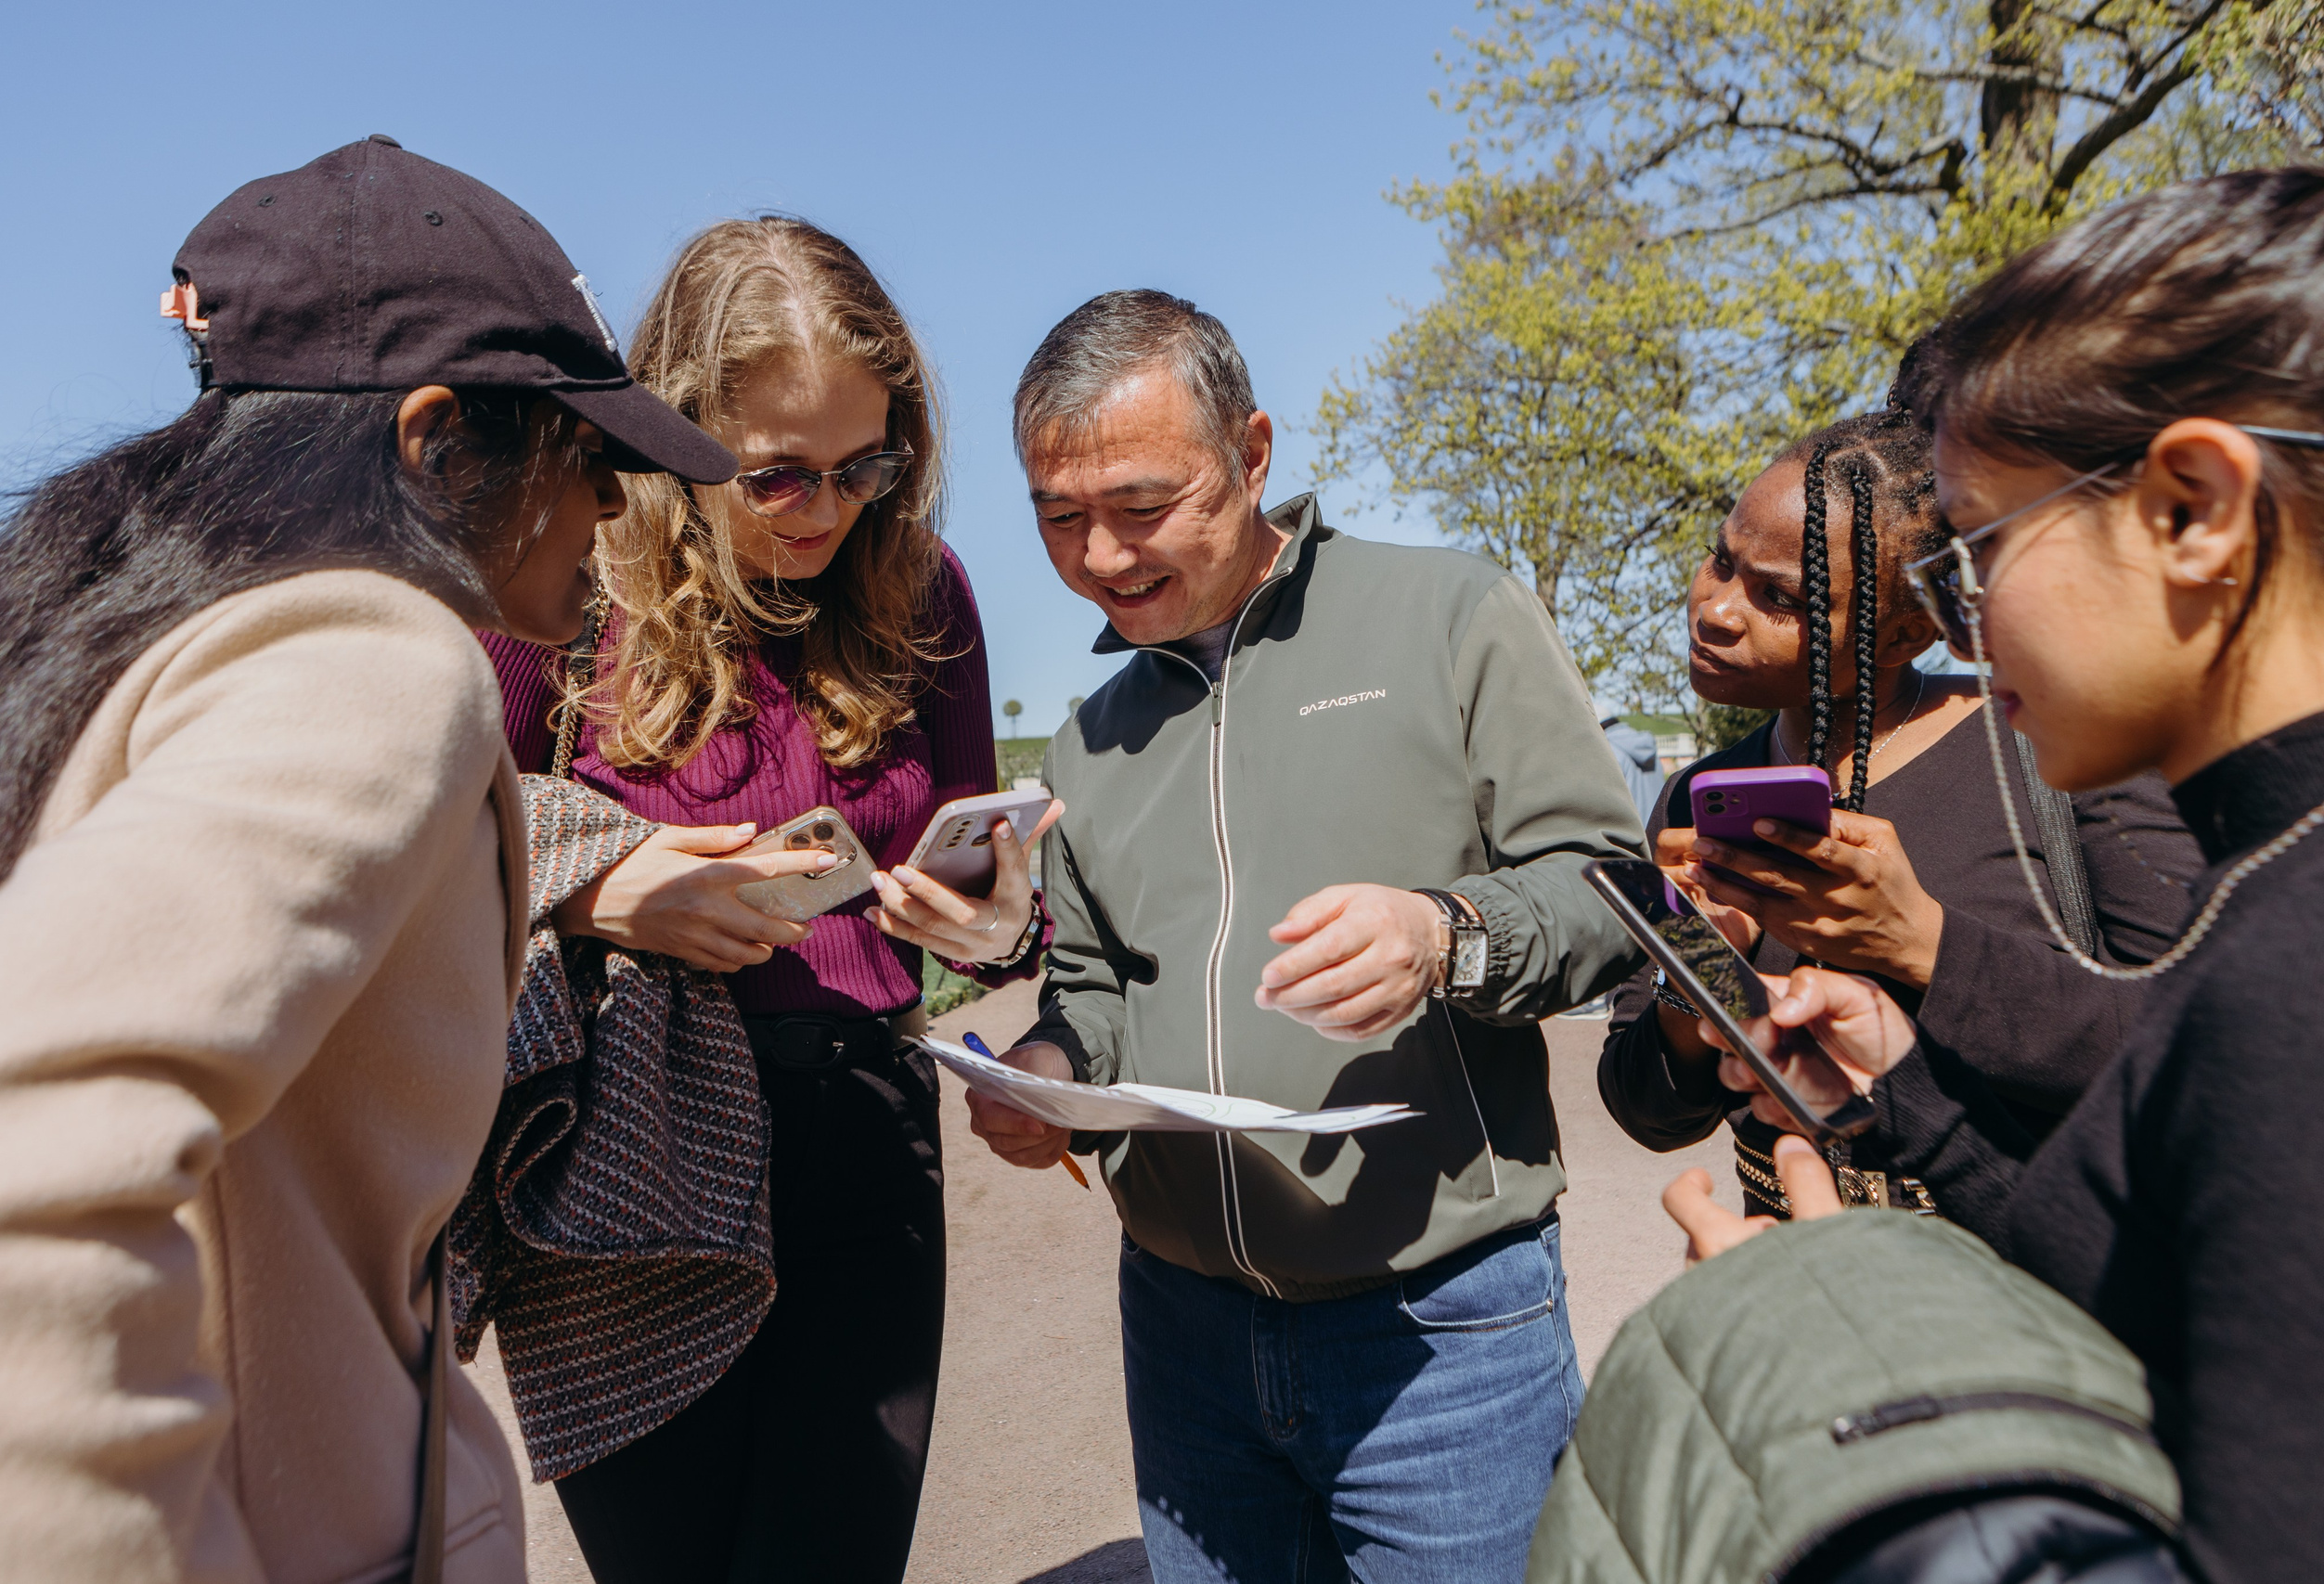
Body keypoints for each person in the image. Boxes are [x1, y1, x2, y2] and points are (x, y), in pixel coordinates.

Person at [0, 137, 737, 1583]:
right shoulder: (377, 660)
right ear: (435, 439)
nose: (618, 511)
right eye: (587, 455)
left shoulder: (100, 649)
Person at [1667, 168, 2324, 1584]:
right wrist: (1903, 1090)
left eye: (1980, 550)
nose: (1957, 619)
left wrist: (1831, 1384)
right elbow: (2167, 1297)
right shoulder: (2275, 893)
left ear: (2195, 507)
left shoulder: (2289, 972)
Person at [965, 290, 1648, 1583]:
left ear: (1253, 451)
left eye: (1141, 504)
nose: (1102, 555)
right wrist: (1053, 1077)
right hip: (1182, 1332)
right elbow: (1096, 983)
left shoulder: (1453, 616)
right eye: (1061, 516)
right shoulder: (1086, 738)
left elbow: (1609, 890)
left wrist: (1447, 932)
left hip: (1442, 1331)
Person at [477, 216, 1050, 1584]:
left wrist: (989, 924)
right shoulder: (563, 588)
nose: (829, 509)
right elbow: (425, 832)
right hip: (634, 1148)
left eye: (868, 464)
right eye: (779, 474)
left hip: (866, 1131)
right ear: (674, 435)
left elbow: (984, 892)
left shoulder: (926, 591)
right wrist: (608, 885)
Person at [1598, 406, 2197, 1212]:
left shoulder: (2055, 749)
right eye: (1721, 558)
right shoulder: (1698, 797)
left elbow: (2188, 1043)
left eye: (1778, 595)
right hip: (1804, 1286)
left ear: (1904, 634)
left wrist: (1920, 943)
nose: (1716, 608)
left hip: (2030, 1283)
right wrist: (1700, 974)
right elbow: (1650, 1112)